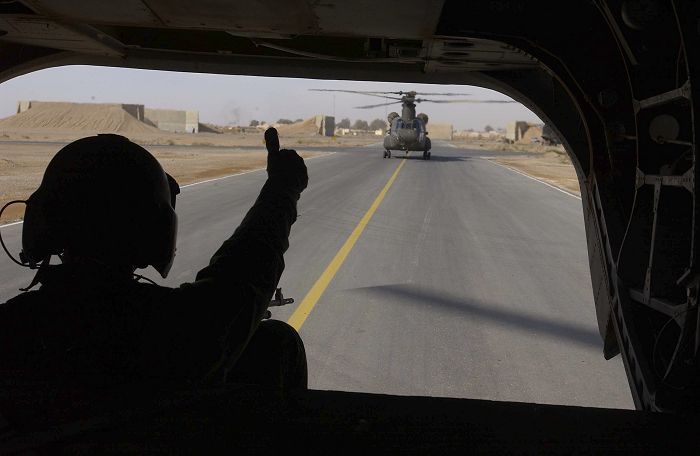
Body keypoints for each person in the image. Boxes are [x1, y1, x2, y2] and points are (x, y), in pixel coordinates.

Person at [0, 129, 308, 392]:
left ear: (42, 219)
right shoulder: (174, 331)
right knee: (275, 343)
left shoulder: (13, 329)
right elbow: (244, 273)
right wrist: (282, 189)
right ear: (155, 230)